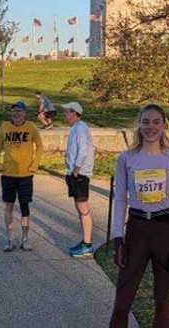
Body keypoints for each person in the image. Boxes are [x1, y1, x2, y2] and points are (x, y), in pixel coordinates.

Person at [109, 104, 169, 328]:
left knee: (163, 302)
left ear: (163, 125)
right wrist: (117, 239)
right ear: (139, 124)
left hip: (165, 230)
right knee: (122, 302)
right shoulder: (126, 159)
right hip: (137, 230)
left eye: (156, 122)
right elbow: (121, 200)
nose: (150, 127)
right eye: (146, 122)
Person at [0, 101, 43, 252]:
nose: (16, 113)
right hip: (8, 174)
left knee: (24, 206)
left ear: (25, 113)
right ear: (11, 113)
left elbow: (39, 146)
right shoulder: (4, 127)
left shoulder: (31, 127)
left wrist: (34, 166)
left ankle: (25, 239)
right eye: (14, 111)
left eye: (20, 111)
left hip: (25, 175)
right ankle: (10, 239)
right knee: (9, 206)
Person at [62, 101, 95, 258]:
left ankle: (87, 244)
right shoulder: (76, 128)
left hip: (80, 174)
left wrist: (76, 170)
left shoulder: (81, 128)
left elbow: (83, 150)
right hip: (75, 173)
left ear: (75, 113)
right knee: (79, 207)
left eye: (67, 112)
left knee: (83, 208)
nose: (64, 115)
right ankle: (85, 241)